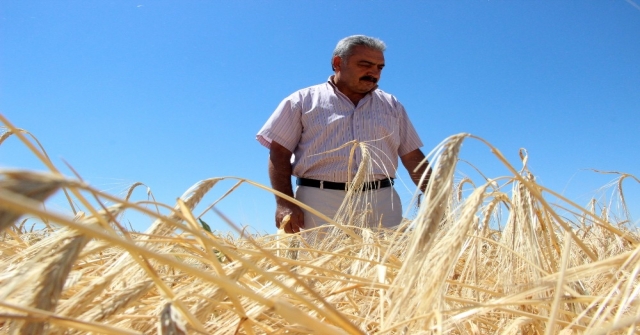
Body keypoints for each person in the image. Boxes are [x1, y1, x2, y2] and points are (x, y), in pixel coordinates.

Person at [256, 35, 430, 235]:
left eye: (379, 67)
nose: (373, 72)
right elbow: (279, 153)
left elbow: (413, 157)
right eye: (365, 64)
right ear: (338, 63)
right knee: (317, 265)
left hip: (382, 202)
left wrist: (438, 199)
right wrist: (284, 203)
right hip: (318, 203)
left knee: (386, 265)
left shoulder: (393, 106)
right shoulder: (301, 101)